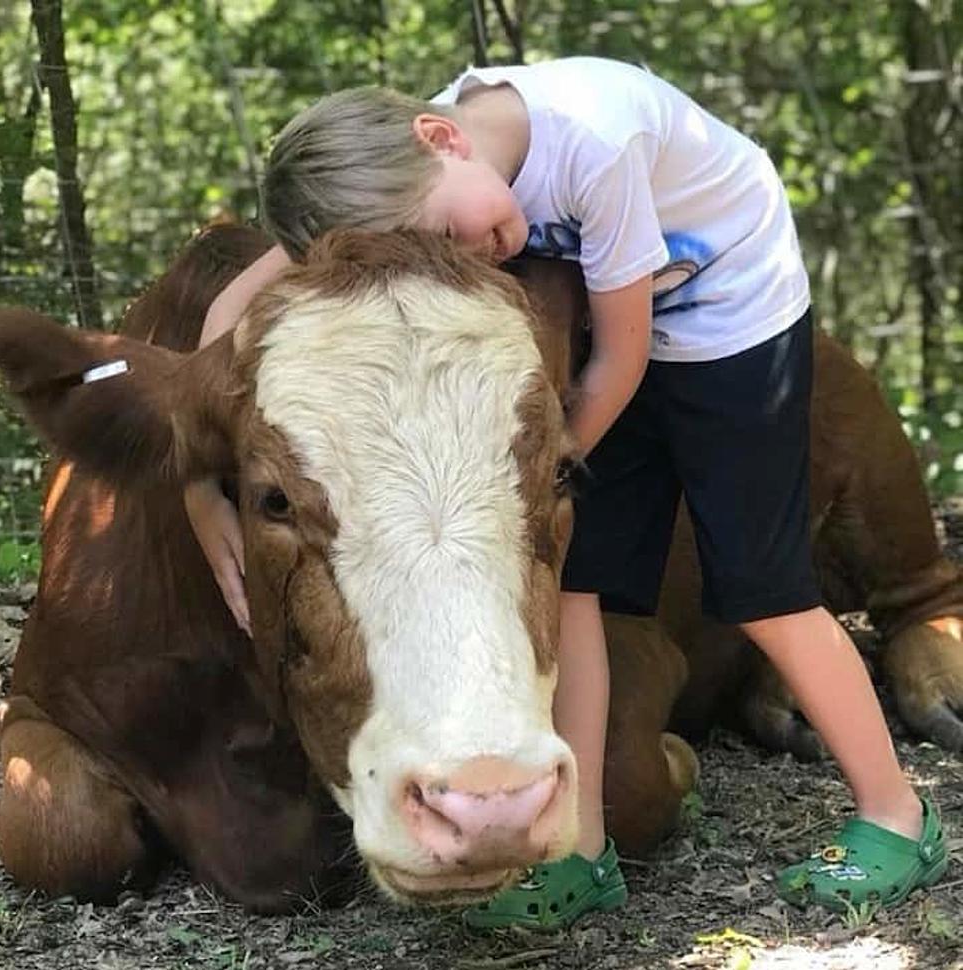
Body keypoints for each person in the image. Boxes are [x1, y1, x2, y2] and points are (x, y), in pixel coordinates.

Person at [185, 56, 947, 930]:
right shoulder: (394, 170)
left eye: (446, 234)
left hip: (728, 324)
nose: (465, 257)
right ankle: (580, 845)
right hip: (611, 335)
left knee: (766, 591)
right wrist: (198, 483)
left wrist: (522, 470)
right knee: (579, 588)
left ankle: (898, 813)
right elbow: (225, 326)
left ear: (442, 139)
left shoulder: (595, 142)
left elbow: (623, 358)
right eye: (433, 256)